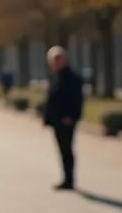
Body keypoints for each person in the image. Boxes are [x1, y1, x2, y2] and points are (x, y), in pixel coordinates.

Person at [43, 46, 85, 191]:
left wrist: (72, 116)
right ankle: (66, 178)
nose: (56, 62)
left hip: (67, 120)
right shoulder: (54, 77)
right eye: (54, 60)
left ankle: (69, 180)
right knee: (62, 149)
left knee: (67, 149)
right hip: (56, 119)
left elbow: (77, 100)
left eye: (58, 59)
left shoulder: (72, 78)